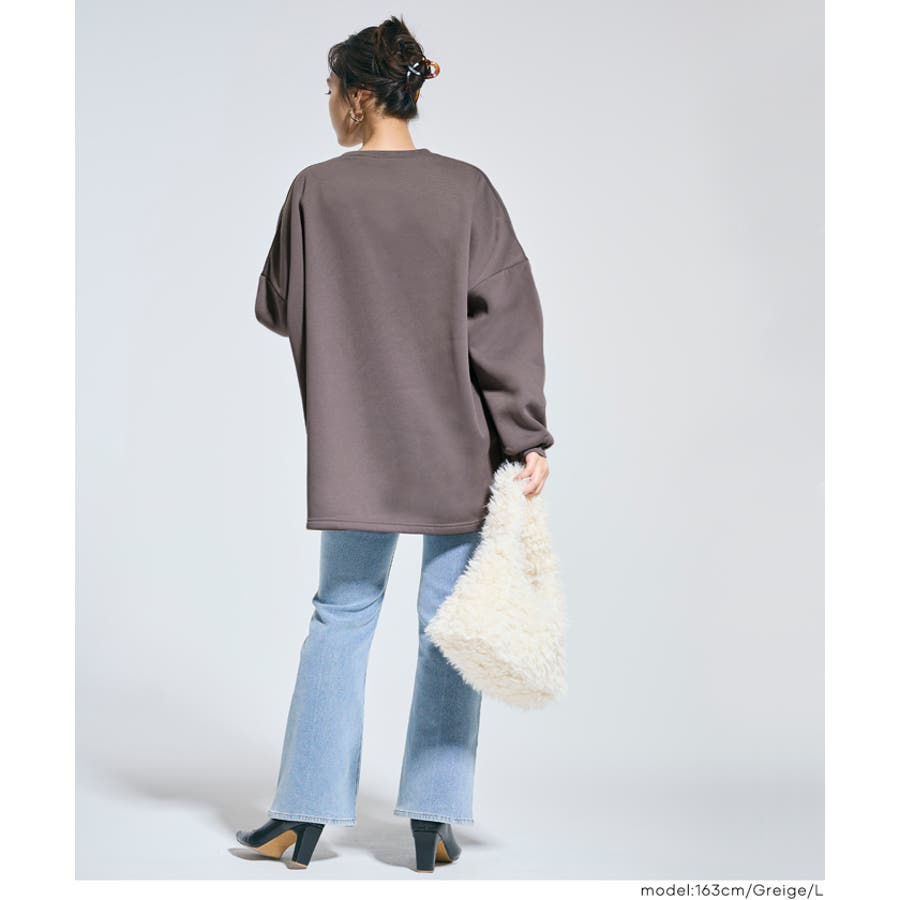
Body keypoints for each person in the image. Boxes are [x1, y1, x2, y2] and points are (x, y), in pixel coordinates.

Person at [235, 15, 554, 873]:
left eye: (332, 90)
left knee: (341, 615)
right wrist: (525, 433)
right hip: (458, 444)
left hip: (354, 447)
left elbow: (275, 305)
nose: (330, 104)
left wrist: (347, 300)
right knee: (447, 624)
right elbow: (506, 321)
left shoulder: (315, 190)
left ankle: (300, 817)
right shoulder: (468, 190)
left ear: (358, 97)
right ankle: (433, 822)